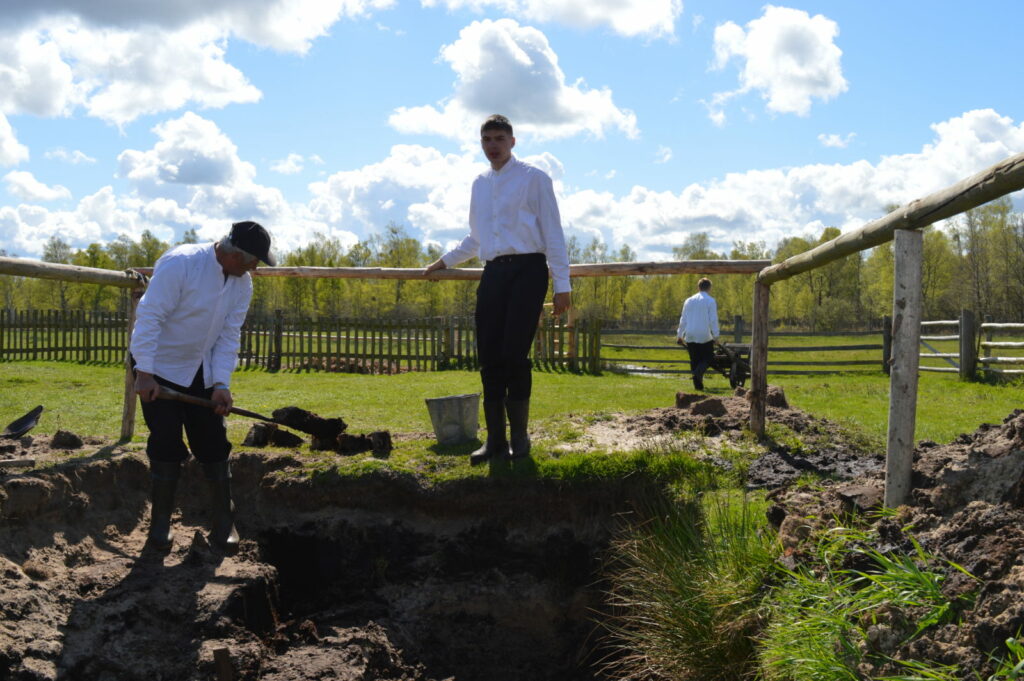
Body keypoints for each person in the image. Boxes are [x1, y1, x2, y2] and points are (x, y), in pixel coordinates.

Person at [424, 114, 571, 465]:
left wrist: (562, 285)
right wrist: (443, 262)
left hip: (529, 271)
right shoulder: (479, 183)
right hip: (494, 273)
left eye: (499, 139)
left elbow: (553, 233)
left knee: (514, 355)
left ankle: (519, 438)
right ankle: (494, 441)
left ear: (512, 142)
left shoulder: (534, 178)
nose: (493, 146)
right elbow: (476, 239)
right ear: (481, 143)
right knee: (488, 356)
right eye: (487, 139)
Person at [130, 220, 275, 553]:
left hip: (202, 371)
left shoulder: (243, 283)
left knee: (212, 442)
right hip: (159, 367)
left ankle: (224, 523)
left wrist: (222, 382)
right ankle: (160, 526)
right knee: (166, 440)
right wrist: (146, 373)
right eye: (254, 260)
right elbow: (149, 317)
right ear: (234, 255)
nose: (256, 267)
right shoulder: (181, 263)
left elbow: (228, 335)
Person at [676, 277, 719, 391]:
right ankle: (698, 373)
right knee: (709, 358)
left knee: (694, 360)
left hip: (690, 334)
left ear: (698, 287)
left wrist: (680, 335)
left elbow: (683, 319)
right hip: (704, 335)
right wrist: (716, 336)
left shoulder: (688, 300)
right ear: (709, 288)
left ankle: (698, 387)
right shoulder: (710, 301)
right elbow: (713, 320)